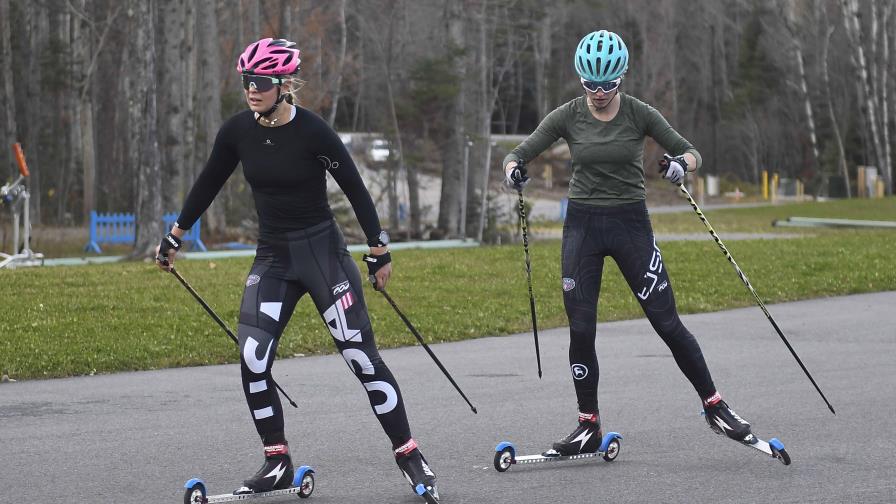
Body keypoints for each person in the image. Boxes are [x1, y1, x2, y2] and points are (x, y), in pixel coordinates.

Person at [155, 38, 438, 500]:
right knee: (251, 357)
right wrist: (176, 234)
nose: (252, 89)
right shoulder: (236, 132)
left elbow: (355, 188)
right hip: (273, 258)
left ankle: (410, 454)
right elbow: (208, 182)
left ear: (284, 84)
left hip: (322, 255)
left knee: (361, 358)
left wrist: (378, 248)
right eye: (247, 80)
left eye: (262, 81)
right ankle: (277, 460)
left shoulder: (313, 132)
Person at [503, 30, 754, 455]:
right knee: (581, 329)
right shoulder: (567, 115)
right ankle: (588, 426)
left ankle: (715, 406)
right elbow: (518, 154)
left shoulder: (639, 113)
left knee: (666, 322)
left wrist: (680, 166)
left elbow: (690, 152)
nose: (598, 93)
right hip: (582, 227)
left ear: (622, 78)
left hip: (630, 225)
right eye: (589, 84)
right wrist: (513, 171)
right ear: (580, 79)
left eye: (608, 84)